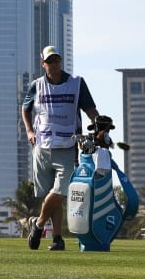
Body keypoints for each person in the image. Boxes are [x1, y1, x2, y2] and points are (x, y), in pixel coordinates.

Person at [22, 45, 99, 252]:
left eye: (57, 60)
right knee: (50, 194)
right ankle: (57, 239)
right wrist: (29, 131)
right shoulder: (36, 85)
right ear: (43, 64)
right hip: (42, 147)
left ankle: (38, 224)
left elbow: (90, 109)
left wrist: (100, 126)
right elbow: (25, 108)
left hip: (67, 146)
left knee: (61, 191)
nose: (54, 64)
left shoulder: (76, 83)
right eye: (50, 61)